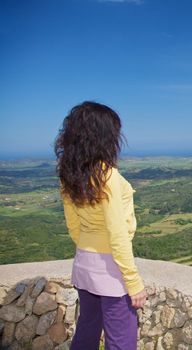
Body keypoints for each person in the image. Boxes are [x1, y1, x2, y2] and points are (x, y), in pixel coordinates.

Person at [54, 101, 147, 350]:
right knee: (122, 340)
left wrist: (89, 250)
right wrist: (133, 282)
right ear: (104, 136)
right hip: (111, 268)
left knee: (86, 331)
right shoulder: (107, 176)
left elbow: (73, 226)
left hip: (84, 263)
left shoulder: (70, 174)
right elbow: (117, 235)